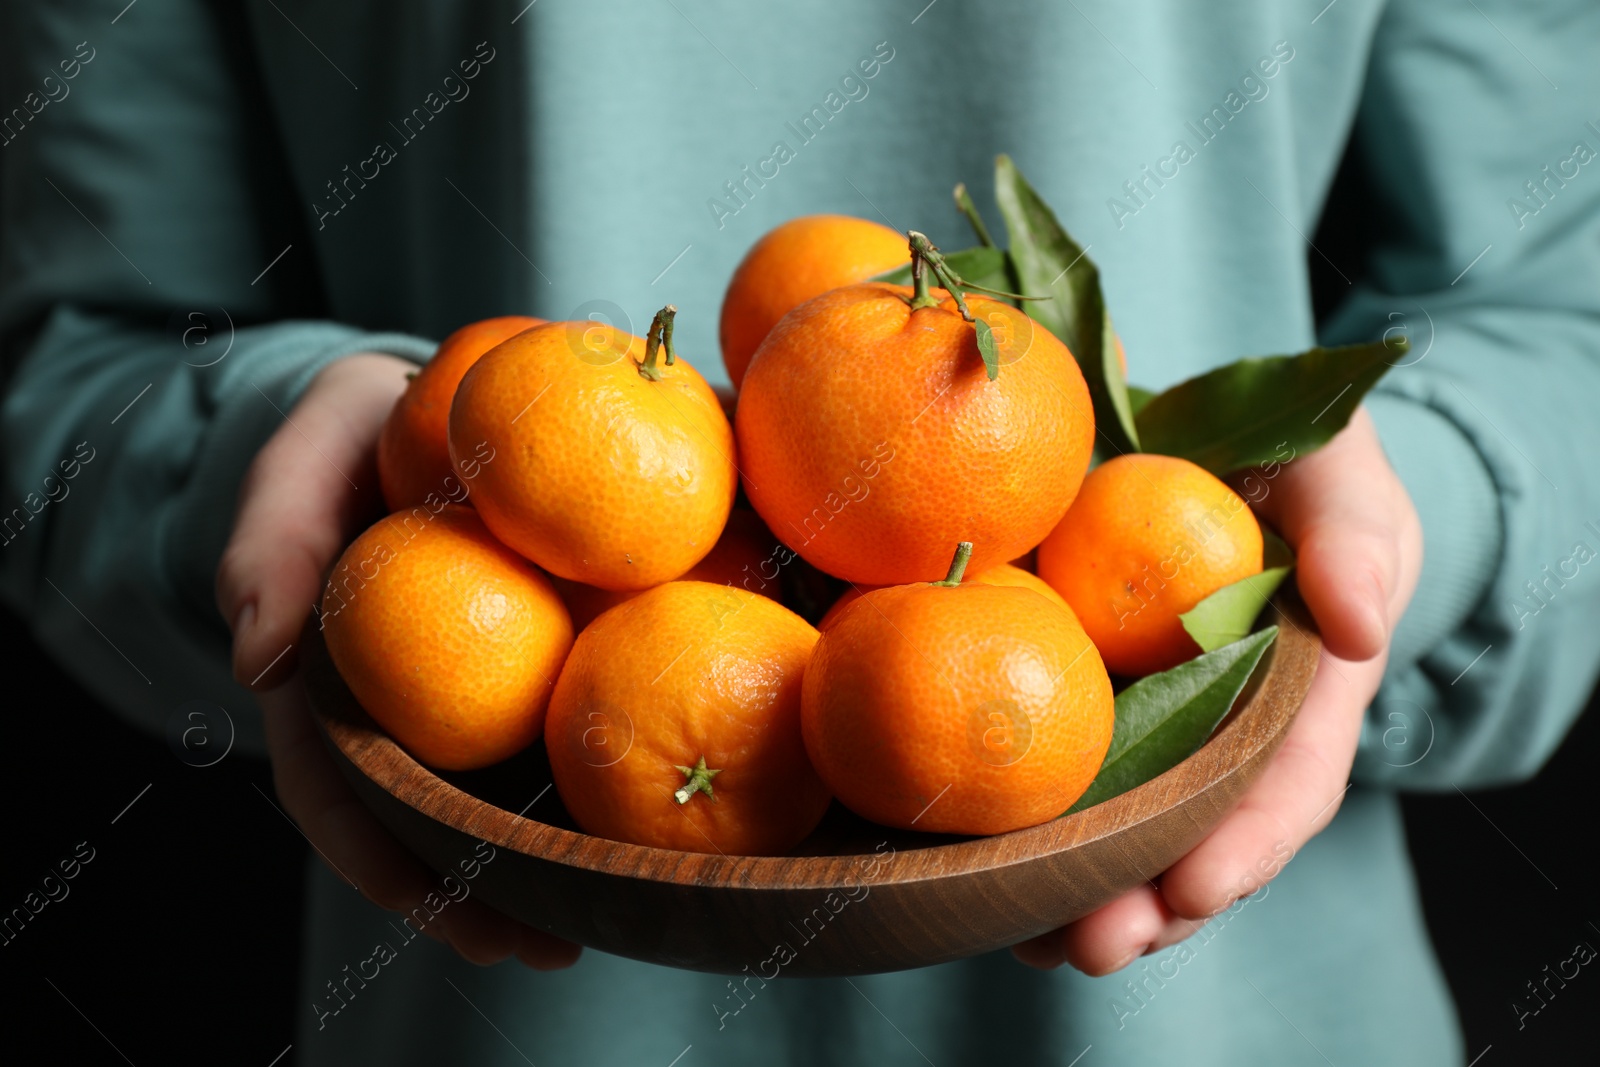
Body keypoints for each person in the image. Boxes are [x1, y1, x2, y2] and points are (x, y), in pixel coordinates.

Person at [3, 1, 1596, 1063]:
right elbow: (77, 346)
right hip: (501, 948)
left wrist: (1391, 519)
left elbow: (1565, 299)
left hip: (1234, 999)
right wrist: (271, 450)